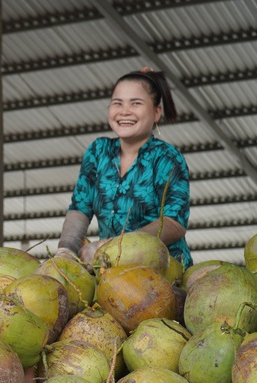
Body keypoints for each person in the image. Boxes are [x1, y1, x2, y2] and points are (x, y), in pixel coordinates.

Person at [56, 68, 192, 269]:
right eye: (117, 103)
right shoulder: (98, 151)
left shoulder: (166, 157)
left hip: (163, 269)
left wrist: (115, 246)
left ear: (156, 113)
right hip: (110, 269)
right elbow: (80, 208)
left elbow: (174, 223)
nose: (124, 111)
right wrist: (66, 250)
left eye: (136, 103)